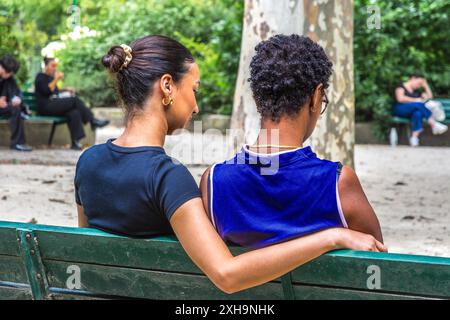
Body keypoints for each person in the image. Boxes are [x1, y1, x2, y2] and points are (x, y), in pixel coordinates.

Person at [75, 35, 386, 294]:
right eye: (194, 91)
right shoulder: (169, 179)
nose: (196, 106)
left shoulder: (87, 162)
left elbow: (89, 251)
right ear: (167, 86)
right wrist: (331, 236)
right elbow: (226, 274)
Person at [200, 35, 384, 250]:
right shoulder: (338, 183)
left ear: (257, 97)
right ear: (316, 97)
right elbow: (379, 261)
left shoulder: (213, 181)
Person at [34, 57, 109, 150]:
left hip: (53, 105)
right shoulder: (40, 76)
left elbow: (55, 91)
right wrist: (56, 79)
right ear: (46, 66)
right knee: (74, 100)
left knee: (74, 112)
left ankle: (75, 142)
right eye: (52, 66)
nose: (55, 68)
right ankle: (92, 120)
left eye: (55, 66)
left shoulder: (50, 78)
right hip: (45, 107)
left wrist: (66, 90)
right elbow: (47, 90)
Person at [394, 74, 448, 147]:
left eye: (421, 84)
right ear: (413, 78)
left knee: (418, 113)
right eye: (419, 83)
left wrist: (425, 85)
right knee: (418, 104)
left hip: (412, 112)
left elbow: (430, 97)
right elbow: (400, 99)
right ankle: (433, 124)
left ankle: (414, 138)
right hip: (400, 110)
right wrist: (415, 100)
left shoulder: (417, 92)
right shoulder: (400, 87)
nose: (419, 85)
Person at [0, 55, 32, 151]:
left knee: (16, 109)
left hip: (5, 107)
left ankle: (18, 143)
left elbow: (17, 92)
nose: (9, 75)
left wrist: (17, 99)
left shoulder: (8, 79)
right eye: (8, 72)